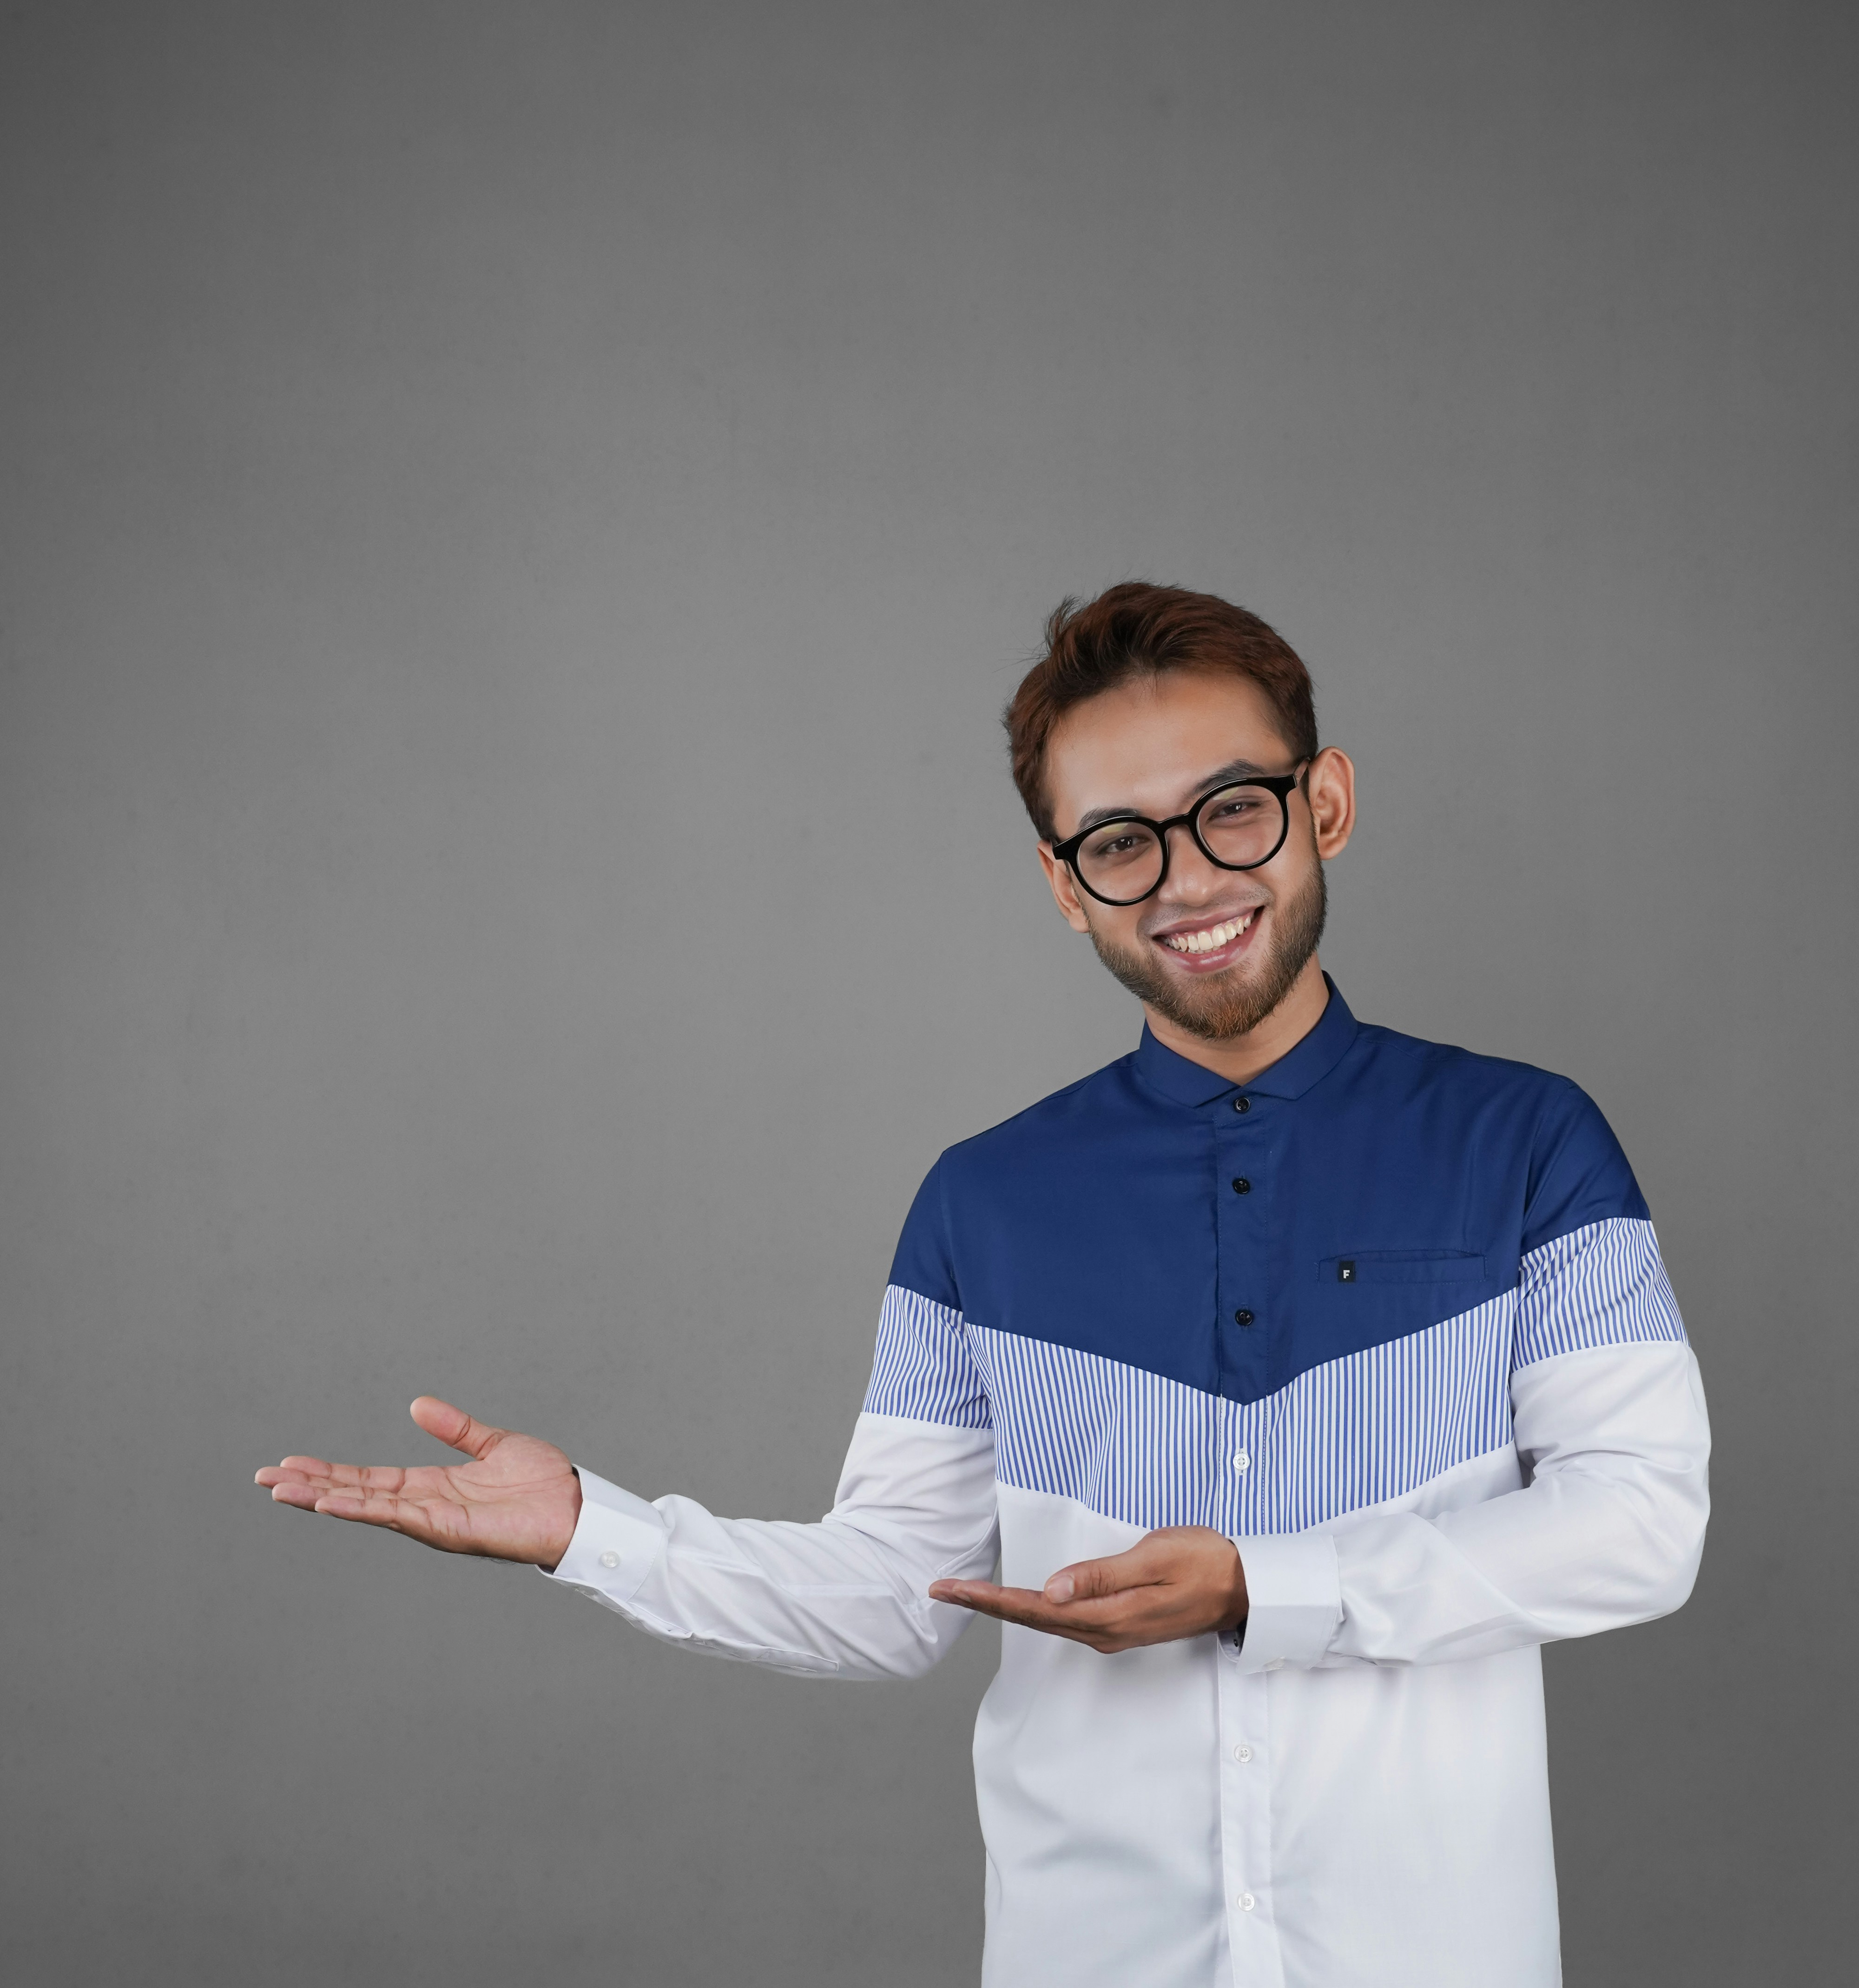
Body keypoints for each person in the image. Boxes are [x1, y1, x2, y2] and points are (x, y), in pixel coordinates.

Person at [257, 582, 1710, 1988]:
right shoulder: (984, 1200)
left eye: (1232, 811)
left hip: (1434, 1961)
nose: (1190, 878)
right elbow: (899, 1592)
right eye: (1120, 843)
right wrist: (593, 1531)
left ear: (1324, 802)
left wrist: (1263, 1590)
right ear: (1063, 887)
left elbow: (1640, 1523)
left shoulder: (1531, 1142)